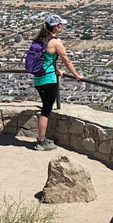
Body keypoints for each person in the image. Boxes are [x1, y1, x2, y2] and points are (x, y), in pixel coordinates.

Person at [31, 13, 83, 150]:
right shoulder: (55, 43)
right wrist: (76, 75)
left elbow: (46, 59)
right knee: (46, 110)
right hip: (48, 80)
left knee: (45, 108)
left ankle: (42, 139)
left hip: (39, 79)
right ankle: (41, 142)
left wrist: (56, 70)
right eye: (60, 25)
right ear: (55, 27)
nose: (62, 27)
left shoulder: (39, 40)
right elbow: (67, 61)